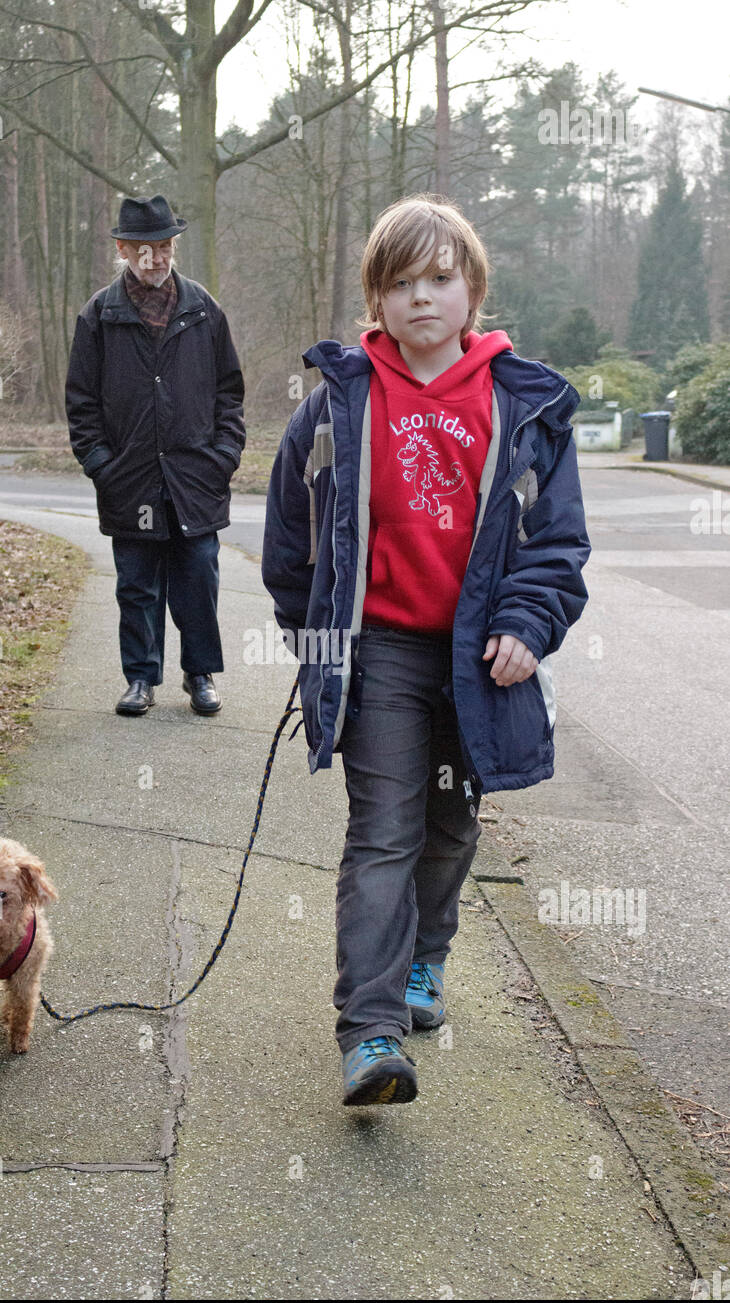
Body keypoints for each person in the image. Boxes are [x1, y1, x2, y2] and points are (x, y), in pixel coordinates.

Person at [262, 194, 590, 1107]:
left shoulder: (522, 407)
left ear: (471, 291)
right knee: (382, 835)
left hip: (479, 658)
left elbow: (556, 544)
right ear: (376, 298)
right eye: (399, 282)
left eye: (439, 279)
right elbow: (291, 534)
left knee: (451, 827)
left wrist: (527, 625)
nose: (420, 299)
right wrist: (318, 637)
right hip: (382, 655)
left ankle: (426, 961)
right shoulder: (339, 403)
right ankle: (369, 1036)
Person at [65, 194, 245, 717]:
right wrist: (102, 465)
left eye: (163, 247)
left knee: (199, 580)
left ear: (173, 248)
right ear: (123, 249)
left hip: (195, 477)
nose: (154, 258)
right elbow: (80, 402)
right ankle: (140, 678)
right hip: (130, 479)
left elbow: (229, 392)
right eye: (143, 248)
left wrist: (223, 455)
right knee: (137, 587)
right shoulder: (100, 314)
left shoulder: (203, 309)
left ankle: (200, 674)